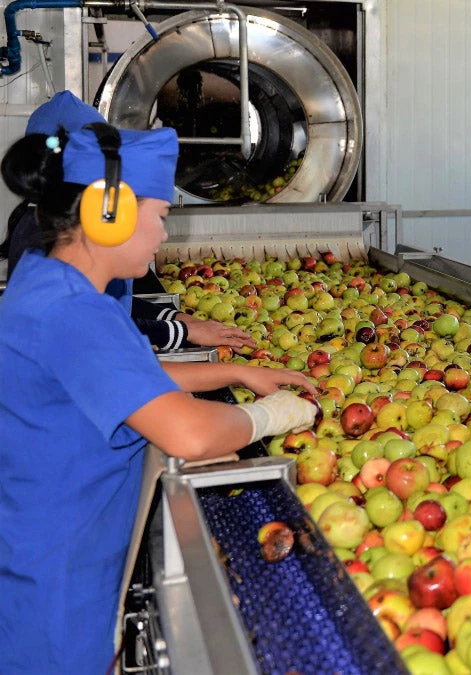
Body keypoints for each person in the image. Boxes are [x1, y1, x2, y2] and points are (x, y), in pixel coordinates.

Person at [0, 123, 318, 672]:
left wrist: (241, 371)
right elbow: (189, 435)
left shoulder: (51, 282)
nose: (164, 237)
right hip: (57, 584)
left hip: (47, 547)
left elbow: (128, 374)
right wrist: (268, 417)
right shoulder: (74, 313)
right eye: (161, 218)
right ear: (108, 213)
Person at [1, 90, 255, 351]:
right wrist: (179, 331)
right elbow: (93, 329)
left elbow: (113, 306)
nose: (163, 234)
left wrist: (175, 318)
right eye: (159, 217)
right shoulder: (47, 237)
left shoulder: (61, 230)